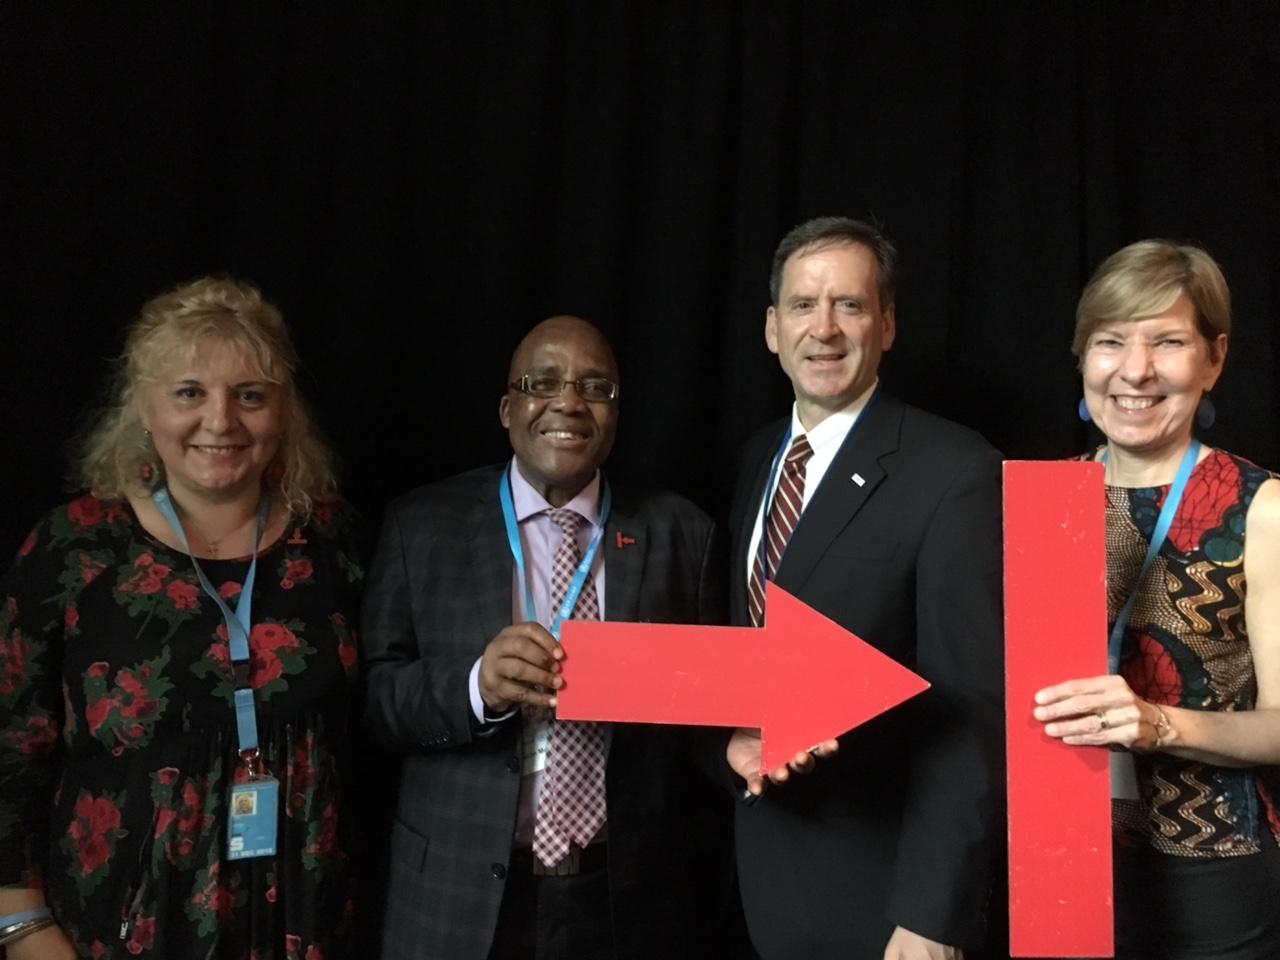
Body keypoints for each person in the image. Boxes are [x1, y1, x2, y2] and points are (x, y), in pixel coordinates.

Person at [0, 277, 363, 959]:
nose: (221, 421)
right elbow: (8, 751)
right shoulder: (72, 548)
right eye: (189, 392)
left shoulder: (333, 541)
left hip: (303, 925)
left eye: (250, 395)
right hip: (109, 929)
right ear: (143, 404)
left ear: (283, 411)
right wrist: (20, 928)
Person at [362, 315, 732, 960]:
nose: (569, 402)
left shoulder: (684, 535)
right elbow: (375, 702)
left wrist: (746, 749)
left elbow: (705, 713)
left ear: (616, 414)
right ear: (509, 408)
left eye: (596, 387)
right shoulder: (420, 525)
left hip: (625, 902)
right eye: (544, 382)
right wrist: (477, 687)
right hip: (456, 893)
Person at [722, 217, 1004, 959]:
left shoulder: (953, 470)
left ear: (886, 324)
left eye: (849, 304)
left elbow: (971, 711)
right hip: (766, 879)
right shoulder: (757, 461)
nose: (824, 328)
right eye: (802, 305)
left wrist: (932, 915)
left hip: (884, 902)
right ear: (771, 329)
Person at [1033, 240, 1280, 960]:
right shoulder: (1036, 501)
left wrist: (1157, 725)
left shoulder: (1261, 508)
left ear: (1215, 357)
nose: (1135, 371)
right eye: (1111, 342)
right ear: (1083, 358)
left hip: (1214, 873)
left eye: (1168, 341)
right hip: (1059, 859)